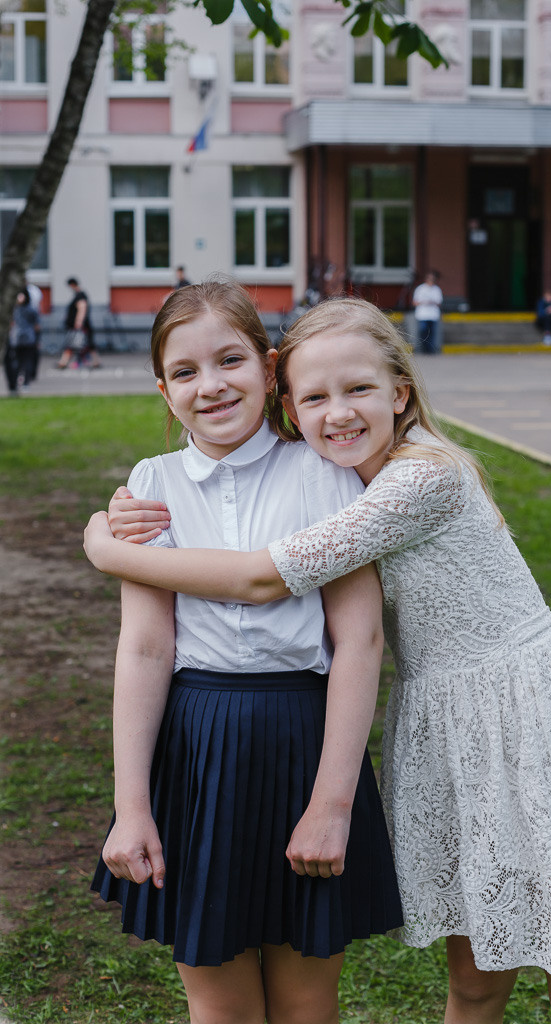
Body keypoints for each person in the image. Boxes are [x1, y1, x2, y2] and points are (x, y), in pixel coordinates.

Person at [86, 297, 551, 1024]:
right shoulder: (329, 472)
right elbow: (151, 639)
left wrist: (102, 546)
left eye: (359, 390)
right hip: (442, 719)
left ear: (400, 392)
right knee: (474, 977)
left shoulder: (413, 479)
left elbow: (265, 579)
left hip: (527, 710)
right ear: (288, 394)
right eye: (315, 397)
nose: (337, 412)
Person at [88, 283, 402, 1024]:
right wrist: (130, 806)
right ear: (164, 391)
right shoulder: (150, 487)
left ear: (268, 370)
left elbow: (358, 638)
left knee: (304, 1000)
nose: (212, 385)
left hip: (304, 738)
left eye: (230, 360)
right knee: (217, 997)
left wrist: (333, 804)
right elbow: (144, 647)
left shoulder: (325, 474)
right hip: (196, 750)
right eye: (187, 373)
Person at [58, 277, 100, 369]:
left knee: (72, 344)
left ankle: (63, 362)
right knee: (86, 343)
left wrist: (78, 322)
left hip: (80, 326)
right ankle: (95, 362)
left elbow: (82, 308)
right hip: (80, 326)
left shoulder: (80, 295)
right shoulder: (79, 294)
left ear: (72, 285)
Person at [4, 288, 39, 394]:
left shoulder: (18, 310)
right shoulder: (18, 310)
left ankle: (25, 383)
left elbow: (36, 325)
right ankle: (22, 383)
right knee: (20, 362)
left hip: (24, 339)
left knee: (25, 361)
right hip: (20, 339)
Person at [412, 270, 443, 354]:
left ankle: (430, 350)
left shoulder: (437, 289)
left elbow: (439, 302)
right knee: (423, 331)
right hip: (422, 315)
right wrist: (425, 302)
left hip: (433, 315)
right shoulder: (420, 289)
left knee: (432, 333)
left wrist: (431, 302)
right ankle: (424, 348)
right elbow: (414, 302)